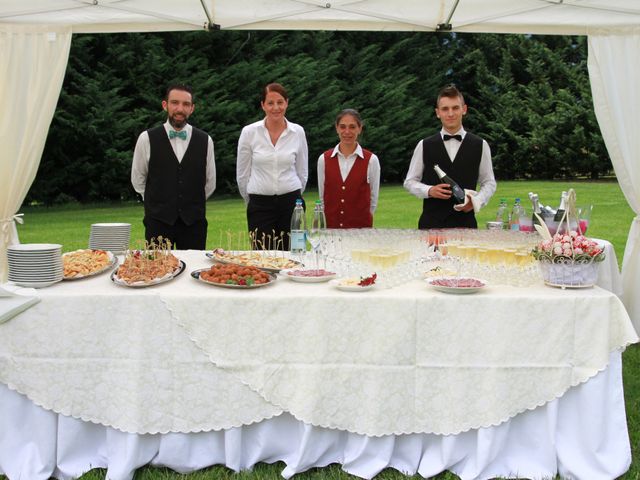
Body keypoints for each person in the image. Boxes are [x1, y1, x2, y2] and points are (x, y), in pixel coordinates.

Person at [131, 83, 216, 250]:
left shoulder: (205, 140)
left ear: (192, 108)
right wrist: (158, 203)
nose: (180, 109)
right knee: (158, 273)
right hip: (158, 223)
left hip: (194, 224)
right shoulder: (146, 138)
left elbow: (210, 182)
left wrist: (188, 204)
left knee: (193, 271)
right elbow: (138, 179)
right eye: (175, 103)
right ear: (165, 105)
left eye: (185, 104)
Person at [403, 84, 496, 229]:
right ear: (437, 112)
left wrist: (476, 201)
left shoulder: (480, 145)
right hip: (431, 226)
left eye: (455, 108)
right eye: (445, 109)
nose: (450, 113)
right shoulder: (424, 145)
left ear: (464, 109)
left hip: (466, 226)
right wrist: (429, 190)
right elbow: (409, 182)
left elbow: (489, 182)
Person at [236, 83, 308, 250]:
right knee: (263, 260)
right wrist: (252, 200)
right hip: (259, 206)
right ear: (263, 105)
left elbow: (302, 171)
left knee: (295, 256)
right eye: (270, 103)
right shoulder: (249, 133)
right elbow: (242, 174)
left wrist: (294, 195)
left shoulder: (298, 132)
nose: (276, 107)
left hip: (292, 205)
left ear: (287, 103)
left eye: (280, 102)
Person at [317, 109, 380, 228]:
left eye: (352, 127)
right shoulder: (323, 159)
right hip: (332, 229)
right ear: (336, 128)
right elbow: (322, 196)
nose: (347, 132)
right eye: (342, 127)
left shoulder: (371, 160)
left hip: (361, 230)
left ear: (359, 129)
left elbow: (373, 199)